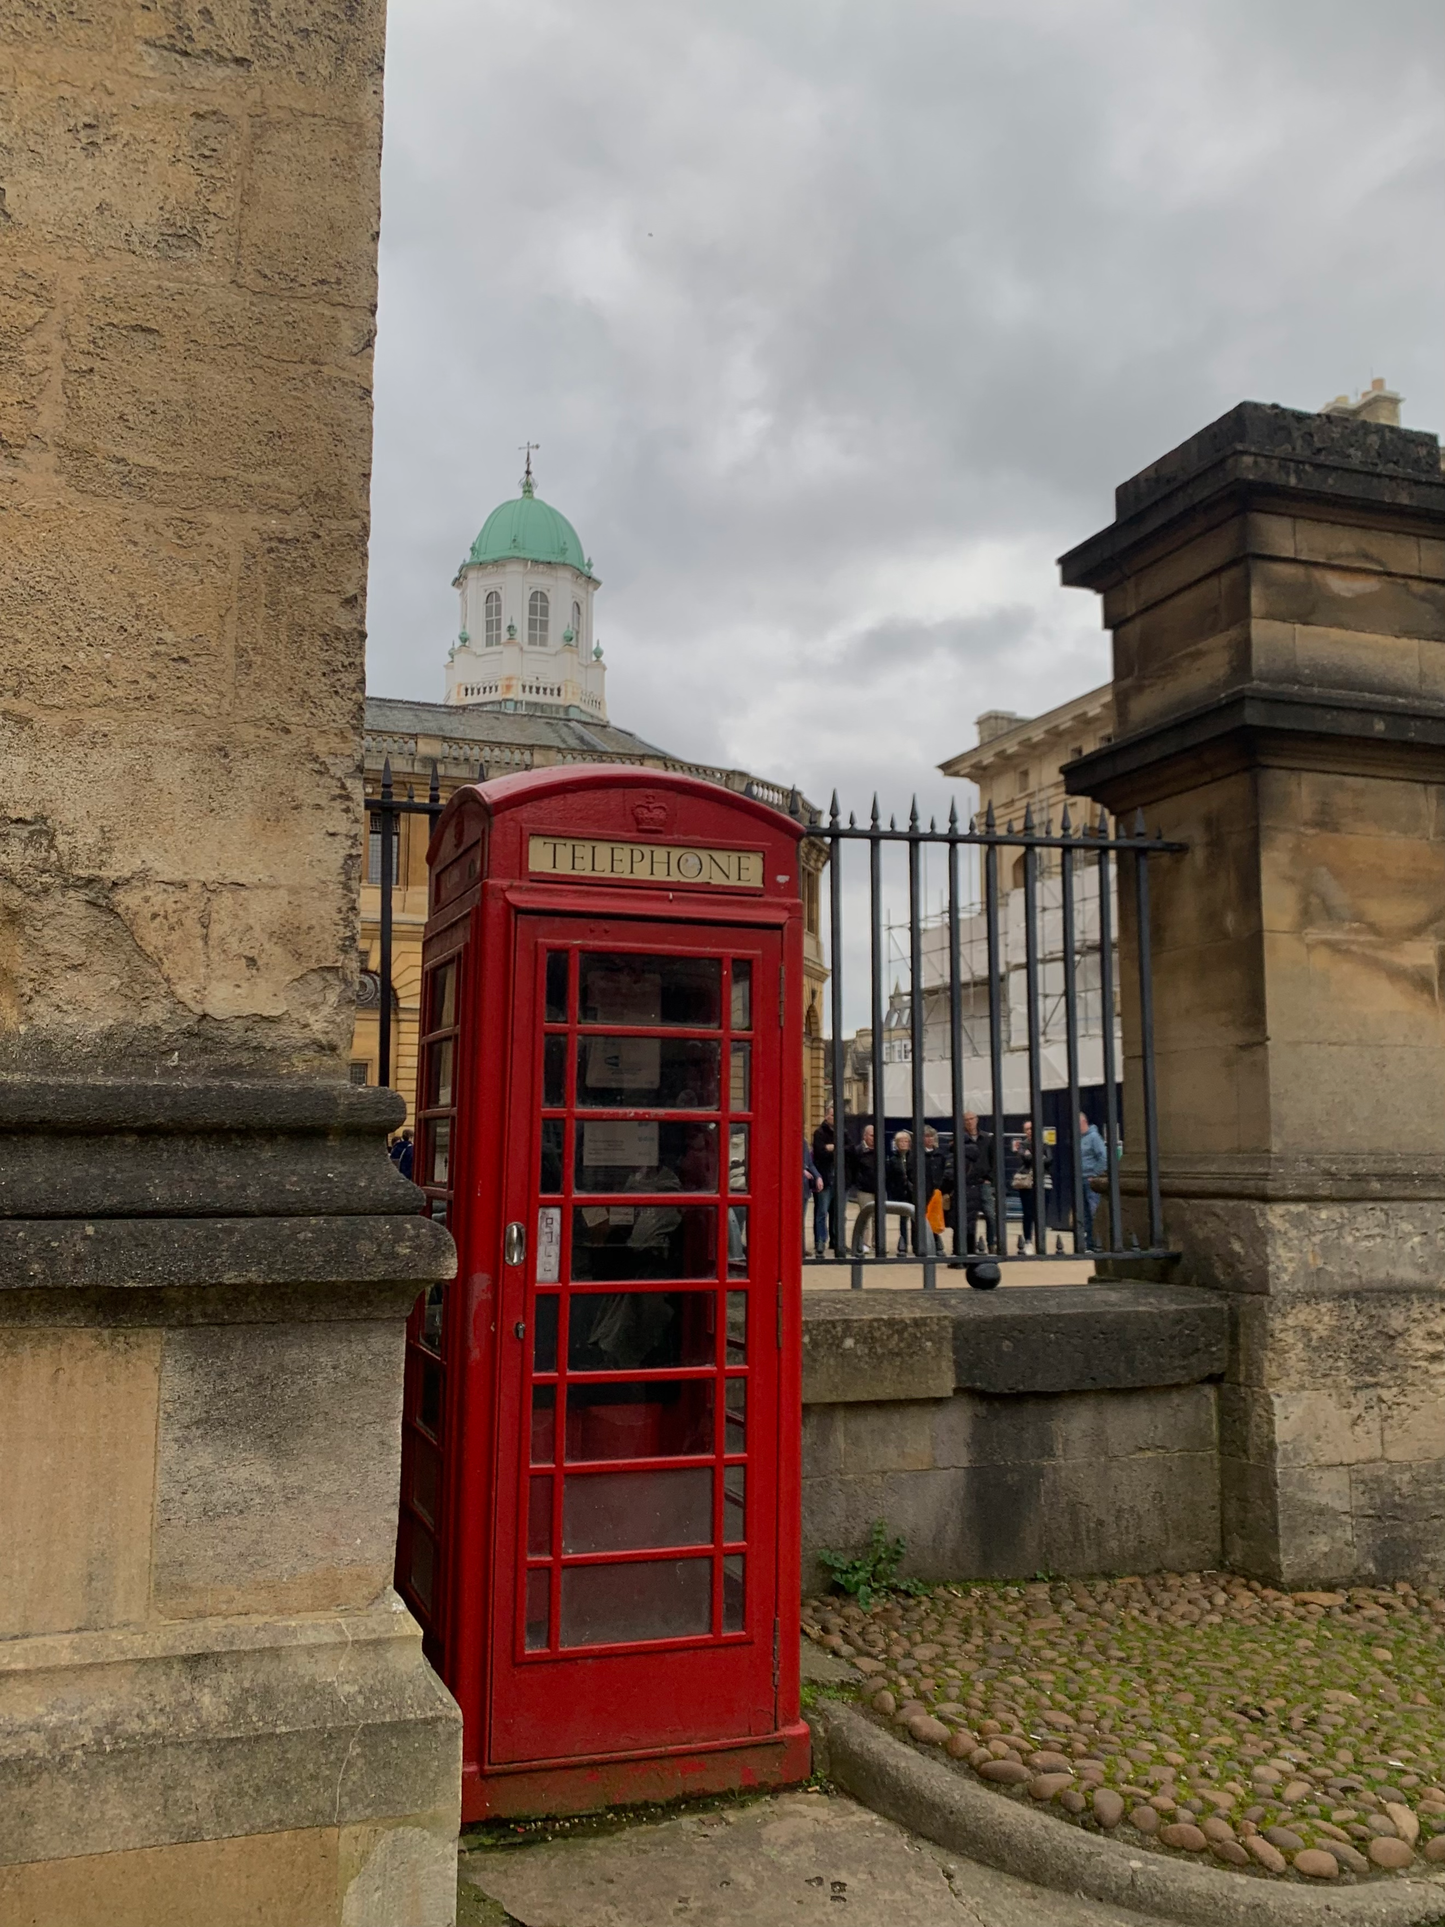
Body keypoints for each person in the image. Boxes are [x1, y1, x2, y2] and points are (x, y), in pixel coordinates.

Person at [1010, 1119, 1049, 1254]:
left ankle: (1041, 1241)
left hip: (1044, 1182)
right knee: (1028, 1213)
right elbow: (1025, 1159)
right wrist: (1040, 1158)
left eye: (1031, 1128)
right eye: (1027, 1129)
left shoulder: (1044, 1144)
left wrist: (1033, 1157)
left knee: (1042, 1213)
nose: (1030, 1131)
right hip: (1027, 1183)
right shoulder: (1022, 1145)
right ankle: (1028, 1241)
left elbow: (1050, 1160)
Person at [959, 1112, 995, 1253]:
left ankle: (992, 1243)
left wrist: (990, 1179)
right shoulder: (960, 1138)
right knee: (969, 1217)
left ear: (977, 1120)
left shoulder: (987, 1138)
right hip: (967, 1183)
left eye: (971, 1119)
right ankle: (970, 1247)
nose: (969, 1122)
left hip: (983, 1181)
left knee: (990, 1214)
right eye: (966, 1120)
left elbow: (994, 1160)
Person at [1078, 1112, 1108, 1249]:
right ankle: (1089, 1243)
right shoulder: (1079, 1139)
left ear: (1083, 1122)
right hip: (1080, 1179)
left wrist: (1095, 1174)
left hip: (1090, 1180)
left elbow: (1103, 1157)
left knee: (1093, 1211)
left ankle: (1097, 1242)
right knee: (1085, 1214)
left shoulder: (1094, 1137)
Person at [811, 1102, 837, 1257]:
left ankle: (835, 1240)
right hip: (824, 1177)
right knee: (822, 1211)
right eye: (832, 1115)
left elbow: (849, 1149)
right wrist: (834, 1148)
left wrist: (832, 1147)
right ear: (827, 1115)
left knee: (837, 1212)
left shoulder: (842, 1131)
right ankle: (820, 1240)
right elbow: (820, 1152)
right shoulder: (819, 1132)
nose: (834, 1118)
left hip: (839, 1179)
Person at [886, 1129, 914, 1254]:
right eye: (901, 1141)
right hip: (900, 1192)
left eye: (906, 1141)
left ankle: (916, 1242)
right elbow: (890, 1177)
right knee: (903, 1219)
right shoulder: (893, 1160)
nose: (903, 1143)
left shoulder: (914, 1157)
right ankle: (903, 1242)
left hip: (913, 1192)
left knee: (915, 1218)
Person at [803, 1136, 824, 1257]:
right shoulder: (787, 1139)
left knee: (801, 1220)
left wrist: (818, 1176)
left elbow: (809, 1163)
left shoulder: (804, 1142)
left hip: (804, 1188)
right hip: (792, 1187)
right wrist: (801, 1170)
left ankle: (800, 1247)